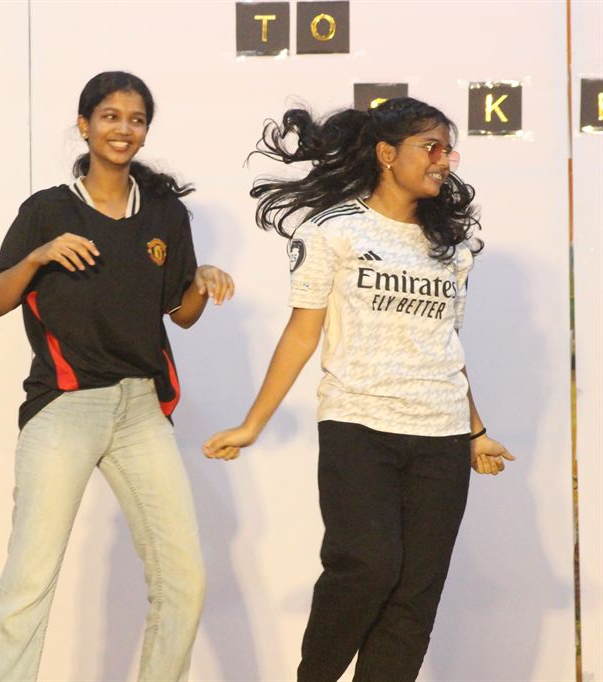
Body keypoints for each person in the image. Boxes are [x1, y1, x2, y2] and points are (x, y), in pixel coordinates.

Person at [204, 97, 516, 681]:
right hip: (359, 427)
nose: (443, 160)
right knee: (367, 568)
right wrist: (253, 424)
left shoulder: (450, 246)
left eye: (448, 151)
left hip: (442, 436)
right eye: (431, 147)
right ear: (386, 154)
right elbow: (302, 334)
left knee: (414, 596)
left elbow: (446, 346)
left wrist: (476, 431)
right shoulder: (333, 230)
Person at [0, 70, 234, 682]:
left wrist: (201, 282)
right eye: (111, 116)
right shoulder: (48, 210)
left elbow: (181, 314)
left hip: (141, 410)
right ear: (84, 125)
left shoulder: (165, 214)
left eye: (136, 119)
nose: (124, 129)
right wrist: (38, 256)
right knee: (29, 580)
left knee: (185, 579)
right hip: (65, 406)